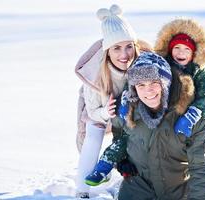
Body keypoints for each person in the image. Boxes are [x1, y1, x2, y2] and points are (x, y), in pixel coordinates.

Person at [85, 18, 205, 188]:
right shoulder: (161, 64)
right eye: (177, 48)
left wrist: (195, 111)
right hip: (161, 112)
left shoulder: (201, 74)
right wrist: (127, 99)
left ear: (195, 53)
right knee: (132, 131)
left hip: (190, 116)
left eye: (186, 49)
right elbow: (139, 78)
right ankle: (109, 162)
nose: (181, 52)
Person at [98, 51, 205, 199]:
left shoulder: (192, 116)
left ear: (165, 83)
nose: (147, 90)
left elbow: (202, 169)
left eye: (154, 83)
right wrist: (122, 160)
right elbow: (120, 138)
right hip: (137, 191)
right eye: (141, 84)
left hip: (179, 192)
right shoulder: (126, 111)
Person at [74, 4, 152, 199]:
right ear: (107, 51)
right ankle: (82, 189)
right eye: (116, 48)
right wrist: (105, 113)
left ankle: (140, 176)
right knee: (93, 135)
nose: (124, 55)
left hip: (129, 110)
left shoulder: (142, 63)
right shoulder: (95, 73)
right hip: (99, 110)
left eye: (128, 46)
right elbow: (92, 112)